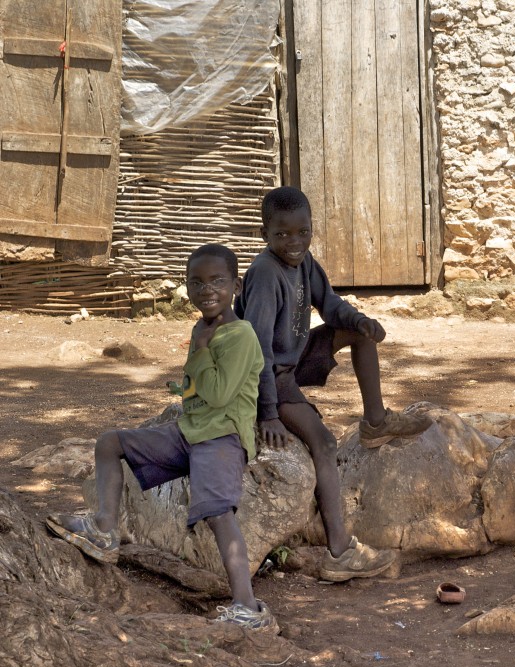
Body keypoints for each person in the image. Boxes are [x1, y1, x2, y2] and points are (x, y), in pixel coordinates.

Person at [47, 244, 277, 632]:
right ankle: (104, 528)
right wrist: (186, 384)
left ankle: (247, 607)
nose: (206, 290)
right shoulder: (203, 327)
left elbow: (219, 394)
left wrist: (200, 351)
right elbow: (197, 388)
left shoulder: (240, 335)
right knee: (109, 443)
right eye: (196, 282)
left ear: (236, 286)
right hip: (189, 432)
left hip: (221, 438)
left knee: (218, 513)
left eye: (217, 281)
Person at [235, 186, 432, 582]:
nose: (294, 242)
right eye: (282, 234)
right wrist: (268, 412)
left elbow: (330, 304)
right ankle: (339, 550)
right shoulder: (264, 274)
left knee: (359, 334)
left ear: (312, 229)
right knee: (323, 443)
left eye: (303, 232)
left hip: (293, 357)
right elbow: (257, 351)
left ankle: (375, 421)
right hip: (267, 374)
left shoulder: (304, 262)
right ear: (264, 234)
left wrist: (359, 320)